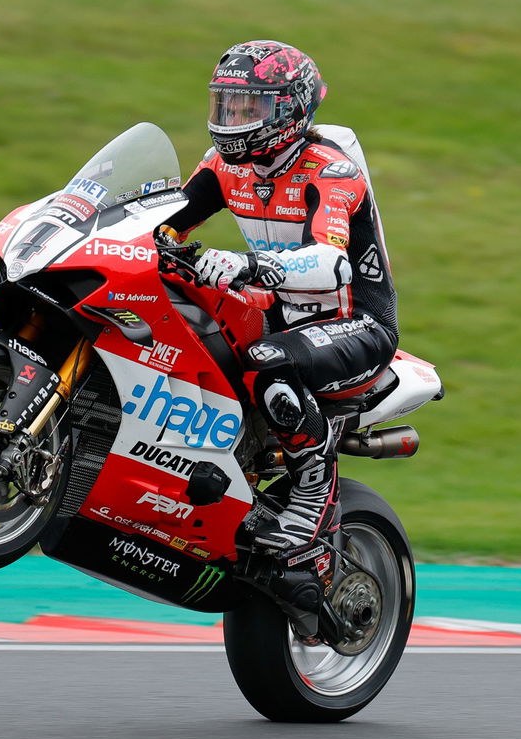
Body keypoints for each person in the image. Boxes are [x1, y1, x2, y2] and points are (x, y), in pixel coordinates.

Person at [162, 40, 399, 619]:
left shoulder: (331, 171)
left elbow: (330, 264)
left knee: (268, 360)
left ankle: (314, 486)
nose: (232, 122)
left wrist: (246, 264)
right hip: (275, 310)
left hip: (353, 322)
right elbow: (165, 221)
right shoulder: (224, 166)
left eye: (248, 109)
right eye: (226, 106)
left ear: (290, 110)